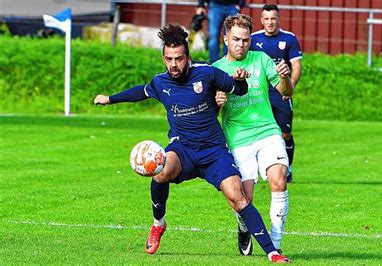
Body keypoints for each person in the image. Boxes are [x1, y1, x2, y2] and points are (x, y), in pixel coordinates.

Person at [93, 24, 290, 263]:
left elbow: (237, 89)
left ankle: (272, 252)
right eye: (168, 59)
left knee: (238, 198)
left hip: (213, 152)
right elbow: (140, 92)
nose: (174, 65)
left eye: (178, 59)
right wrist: (109, 99)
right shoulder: (160, 82)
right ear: (163, 58)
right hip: (183, 149)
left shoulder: (207, 73)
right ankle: (158, 224)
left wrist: (240, 81)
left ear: (188, 57)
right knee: (161, 172)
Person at [212, 14, 293, 255]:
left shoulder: (262, 59)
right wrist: (217, 102)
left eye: (246, 40)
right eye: (236, 39)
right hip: (238, 139)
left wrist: (285, 76)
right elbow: (210, 112)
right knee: (244, 200)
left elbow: (286, 92)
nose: (241, 44)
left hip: (268, 132)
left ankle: (276, 245)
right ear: (226, 39)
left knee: (279, 180)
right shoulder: (215, 70)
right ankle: (243, 226)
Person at [250, 4, 303, 183]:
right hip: (260, 93)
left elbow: (296, 66)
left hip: (281, 93)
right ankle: (257, 169)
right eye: (266, 19)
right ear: (261, 20)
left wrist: (290, 87)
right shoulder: (253, 39)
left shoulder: (289, 39)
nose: (270, 22)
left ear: (278, 19)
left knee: (285, 133)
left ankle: (288, 169)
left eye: (273, 18)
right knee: (257, 130)